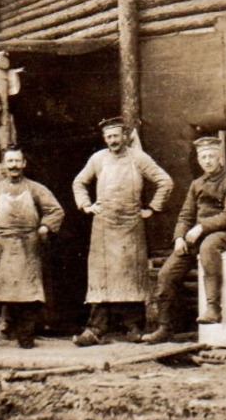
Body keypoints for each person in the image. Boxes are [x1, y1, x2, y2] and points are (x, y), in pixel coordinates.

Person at [71, 117, 174, 346]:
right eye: (108, 137)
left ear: (125, 136)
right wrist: (87, 205)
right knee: (102, 277)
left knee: (130, 277)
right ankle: (95, 329)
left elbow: (165, 181)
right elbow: (79, 183)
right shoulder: (98, 159)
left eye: (116, 136)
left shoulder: (138, 158)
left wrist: (152, 208)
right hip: (104, 226)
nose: (113, 141)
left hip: (130, 226)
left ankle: (133, 328)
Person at [140, 135, 226, 343]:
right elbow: (186, 215)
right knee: (167, 272)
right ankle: (165, 327)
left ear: (219, 158)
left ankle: (213, 308)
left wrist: (202, 227)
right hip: (197, 236)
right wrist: (179, 237)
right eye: (203, 157)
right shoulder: (196, 184)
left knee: (209, 245)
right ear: (198, 159)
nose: (207, 161)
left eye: (211, 156)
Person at [0, 146, 65, 350]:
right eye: (10, 162)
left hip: (28, 245)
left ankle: (25, 337)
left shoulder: (36, 189)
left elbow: (56, 211)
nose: (14, 166)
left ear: (24, 164)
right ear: (3, 166)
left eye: (17, 161)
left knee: (27, 295)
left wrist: (45, 227)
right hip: (1, 247)